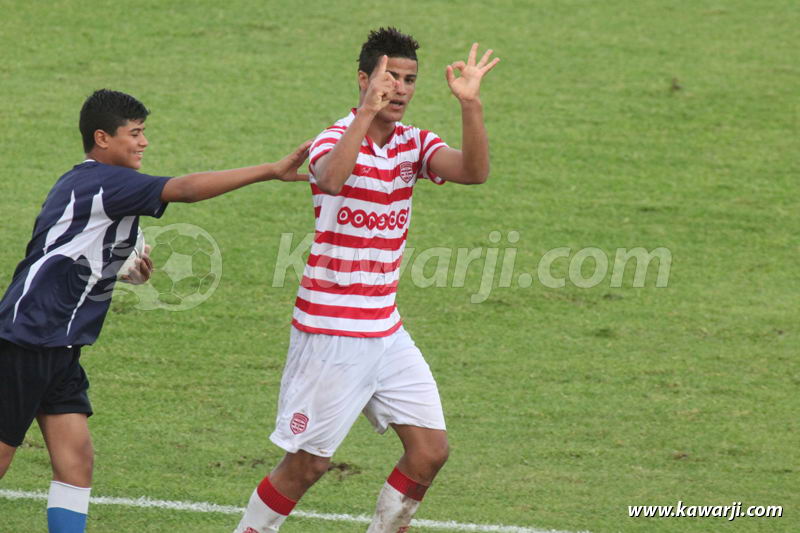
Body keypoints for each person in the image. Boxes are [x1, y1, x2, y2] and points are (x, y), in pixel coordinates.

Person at [0, 89, 310, 533]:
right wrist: (271, 170)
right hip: (27, 339)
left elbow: (62, 249)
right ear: (102, 138)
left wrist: (120, 272)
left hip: (61, 347)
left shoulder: (92, 186)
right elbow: (183, 190)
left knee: (77, 460)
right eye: (136, 133)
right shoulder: (105, 181)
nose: (144, 142)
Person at [234, 27, 499, 533]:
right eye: (388, 77)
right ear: (362, 79)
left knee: (430, 451)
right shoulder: (334, 138)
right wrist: (366, 113)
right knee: (308, 465)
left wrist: (470, 105)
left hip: (384, 328)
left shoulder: (413, 143)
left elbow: (473, 172)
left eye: (409, 80)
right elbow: (331, 177)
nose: (399, 88)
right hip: (331, 331)